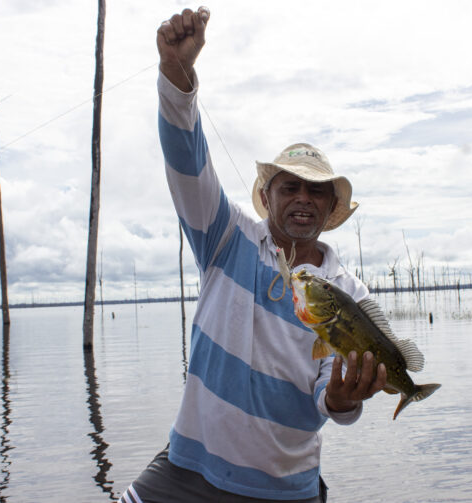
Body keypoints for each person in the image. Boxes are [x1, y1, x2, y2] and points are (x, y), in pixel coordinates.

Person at [119, 7, 387, 502]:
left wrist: (343, 398)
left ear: (330, 209)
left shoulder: (349, 293)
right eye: (290, 187)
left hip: (285, 488)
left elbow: (336, 401)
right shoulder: (225, 235)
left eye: (316, 192)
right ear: (269, 196)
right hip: (187, 471)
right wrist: (177, 78)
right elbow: (186, 161)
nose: (302, 198)